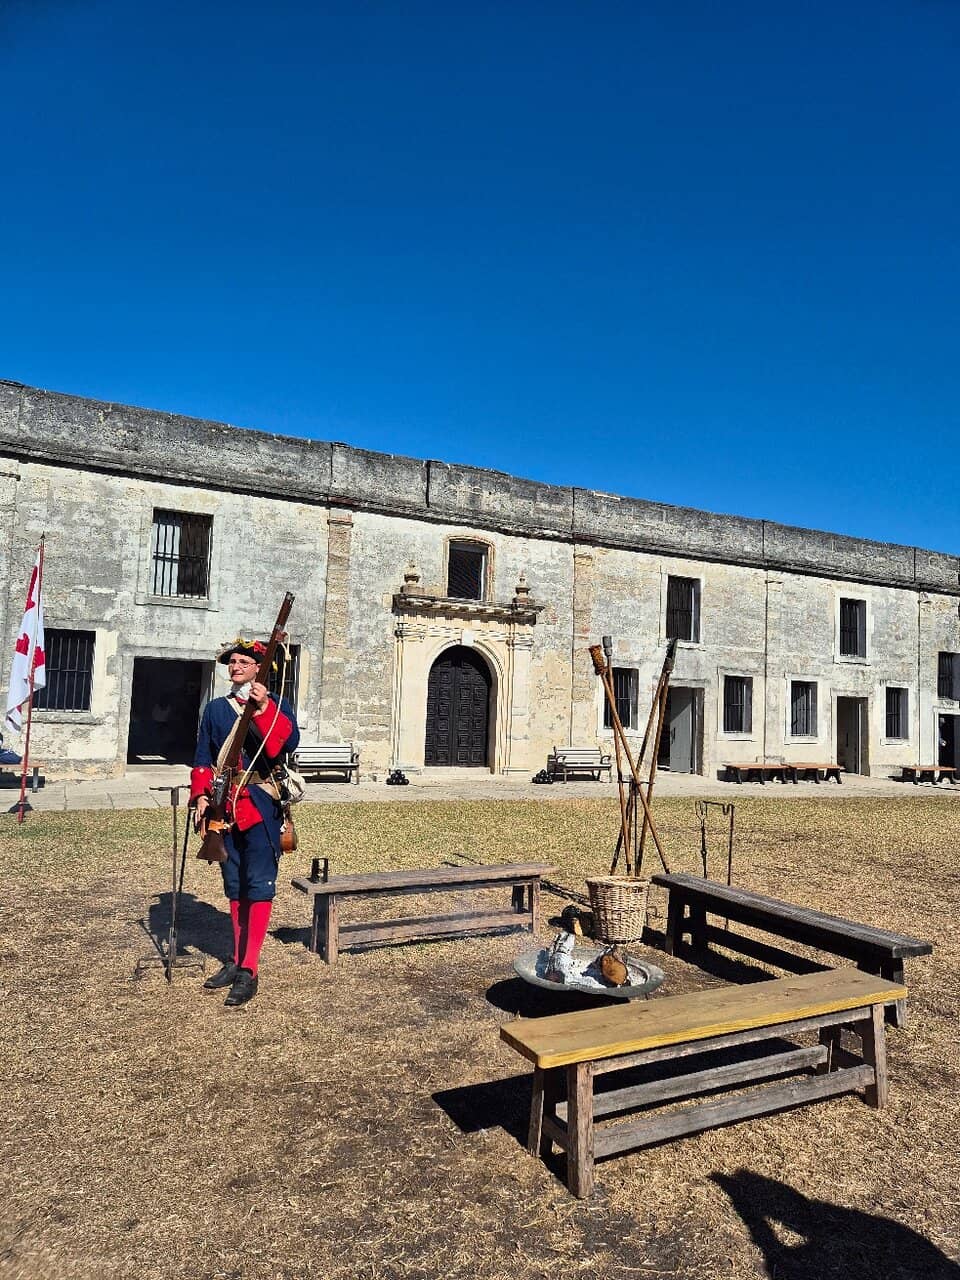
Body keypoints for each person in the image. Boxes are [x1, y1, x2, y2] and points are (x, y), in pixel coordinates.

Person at [190, 637, 300, 1007]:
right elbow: (204, 756)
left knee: (258, 883)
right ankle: (236, 962)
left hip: (260, 803)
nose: (235, 667)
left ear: (258, 668)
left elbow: (281, 746)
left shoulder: (277, 704)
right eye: (231, 662)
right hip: (225, 806)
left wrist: (264, 706)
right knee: (234, 883)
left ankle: (249, 968)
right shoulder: (217, 710)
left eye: (242, 662)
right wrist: (202, 796)